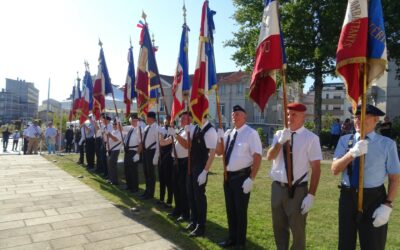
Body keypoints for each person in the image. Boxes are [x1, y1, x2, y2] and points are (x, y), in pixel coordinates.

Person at [331, 104, 400, 250]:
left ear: (376, 120)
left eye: (364, 117)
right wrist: (351, 154)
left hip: (374, 198)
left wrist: (387, 205)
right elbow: (335, 169)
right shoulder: (345, 141)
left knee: (373, 244)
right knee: (345, 243)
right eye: (356, 116)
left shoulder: (387, 144)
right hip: (348, 197)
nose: (358, 120)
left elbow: (394, 178)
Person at [267, 102, 322, 250]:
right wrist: (280, 142)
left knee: (298, 230)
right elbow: (270, 156)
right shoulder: (279, 134)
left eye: (294, 114)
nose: (289, 117)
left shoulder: (310, 138)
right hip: (278, 187)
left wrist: (311, 195)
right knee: (278, 227)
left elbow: (316, 168)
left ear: (303, 116)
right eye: (287, 114)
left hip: (297, 190)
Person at [215, 105, 262, 249]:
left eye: (238, 114)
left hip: (242, 177)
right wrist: (219, 138)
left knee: (240, 211)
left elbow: (258, 156)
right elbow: (219, 152)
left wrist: (251, 178)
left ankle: (240, 243)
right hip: (228, 177)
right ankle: (232, 238)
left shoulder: (251, 133)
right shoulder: (229, 132)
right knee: (230, 210)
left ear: (245, 116)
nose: (234, 117)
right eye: (233, 114)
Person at [175, 115, 217, 237]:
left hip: (200, 167)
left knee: (199, 197)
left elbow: (213, 153)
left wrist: (205, 171)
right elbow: (189, 145)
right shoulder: (197, 128)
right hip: (191, 166)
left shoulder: (210, 130)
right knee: (191, 195)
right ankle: (193, 221)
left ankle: (201, 225)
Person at [165, 111, 192, 222]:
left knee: (183, 188)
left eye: (184, 119)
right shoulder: (181, 130)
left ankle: (185, 213)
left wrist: (175, 134)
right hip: (176, 161)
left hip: (184, 162)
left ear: (190, 119)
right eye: (180, 119)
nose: (181, 120)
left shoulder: (189, 131)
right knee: (175, 186)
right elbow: (167, 142)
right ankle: (178, 209)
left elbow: (187, 145)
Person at [140, 111, 159, 200]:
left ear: (152, 118)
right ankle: (147, 191)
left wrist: (156, 155)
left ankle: (150, 193)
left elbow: (158, 143)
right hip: (145, 151)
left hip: (152, 152)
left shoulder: (156, 128)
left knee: (151, 174)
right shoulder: (147, 127)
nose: (146, 119)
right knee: (146, 172)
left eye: (147, 118)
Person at [122, 113, 142, 193]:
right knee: (127, 168)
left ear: (137, 121)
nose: (133, 122)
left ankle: (135, 187)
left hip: (134, 151)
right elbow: (120, 129)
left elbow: (141, 143)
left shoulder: (139, 129)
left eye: (135, 121)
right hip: (127, 151)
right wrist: (118, 121)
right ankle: (129, 185)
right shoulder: (130, 128)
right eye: (132, 120)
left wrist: (138, 154)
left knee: (133, 170)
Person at [158, 115, 174, 207]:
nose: (165, 125)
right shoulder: (164, 132)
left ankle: (169, 201)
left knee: (168, 181)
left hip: (169, 160)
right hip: (162, 158)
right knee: (162, 180)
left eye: (166, 123)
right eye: (164, 123)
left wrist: (160, 134)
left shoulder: (173, 133)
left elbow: (162, 143)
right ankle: (161, 199)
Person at [105, 118, 122, 185]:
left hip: (116, 150)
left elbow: (115, 139)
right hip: (111, 150)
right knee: (109, 165)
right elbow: (109, 140)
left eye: (115, 124)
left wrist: (109, 134)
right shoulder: (113, 131)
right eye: (113, 124)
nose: (114, 125)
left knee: (112, 165)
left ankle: (115, 181)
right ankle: (111, 178)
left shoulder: (120, 132)